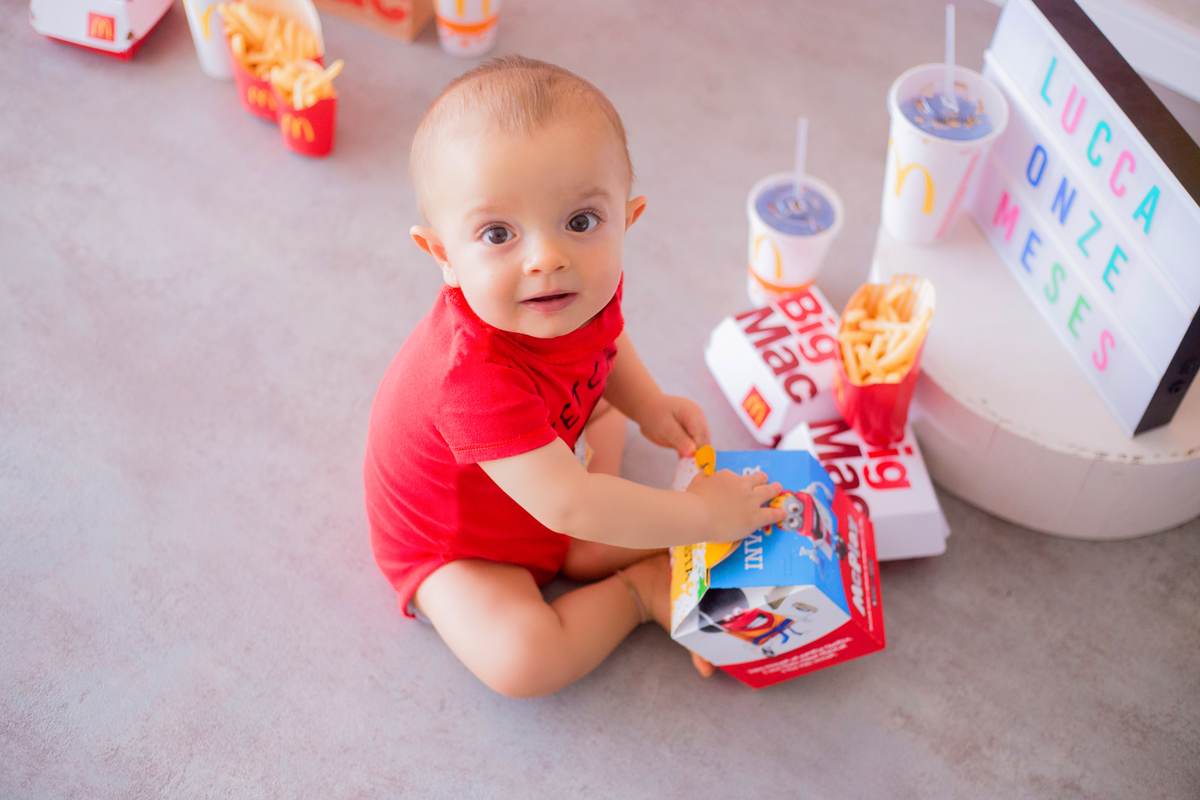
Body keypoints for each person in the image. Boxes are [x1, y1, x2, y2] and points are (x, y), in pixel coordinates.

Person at [364, 55, 785, 698]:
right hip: (459, 540)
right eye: (499, 233)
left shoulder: (577, 290)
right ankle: (639, 593)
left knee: (598, 451)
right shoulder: (471, 380)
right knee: (523, 660)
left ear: (627, 217)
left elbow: (607, 341)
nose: (548, 258)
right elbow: (571, 502)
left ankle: (591, 547)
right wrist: (698, 515)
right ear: (443, 256)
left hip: (541, 474)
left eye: (581, 222)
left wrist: (646, 404)